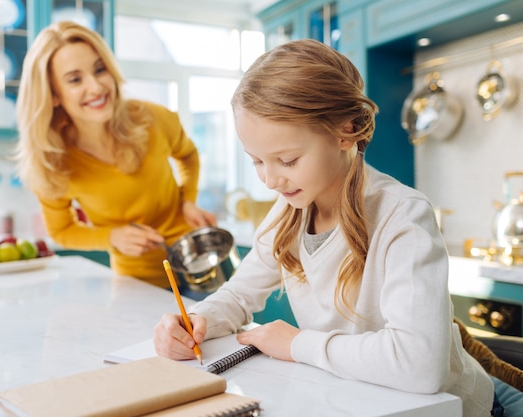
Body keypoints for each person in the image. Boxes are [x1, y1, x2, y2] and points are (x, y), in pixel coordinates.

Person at [153, 39, 498, 416]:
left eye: (287, 159)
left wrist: (298, 344)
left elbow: (420, 364)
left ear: (346, 131)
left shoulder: (402, 216)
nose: (270, 179)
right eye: (256, 162)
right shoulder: (289, 209)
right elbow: (238, 296)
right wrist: (199, 321)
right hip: (360, 400)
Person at [14, 21, 216, 288]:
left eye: (100, 69)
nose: (96, 87)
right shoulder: (53, 161)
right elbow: (62, 231)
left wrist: (188, 199)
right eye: (75, 79)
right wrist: (112, 237)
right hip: (137, 281)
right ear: (53, 95)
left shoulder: (154, 119)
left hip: (199, 264)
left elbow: (187, 154)